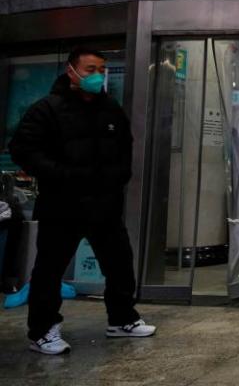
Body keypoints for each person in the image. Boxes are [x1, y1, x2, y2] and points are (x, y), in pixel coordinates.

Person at [8, 47, 156, 355]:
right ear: (71, 71)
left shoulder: (111, 109)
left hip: (105, 204)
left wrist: (118, 180)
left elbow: (124, 149)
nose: (97, 75)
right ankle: (43, 331)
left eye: (101, 69)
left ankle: (121, 318)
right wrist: (62, 175)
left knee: (119, 263)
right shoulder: (46, 109)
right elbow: (23, 150)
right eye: (90, 69)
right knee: (50, 269)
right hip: (62, 205)